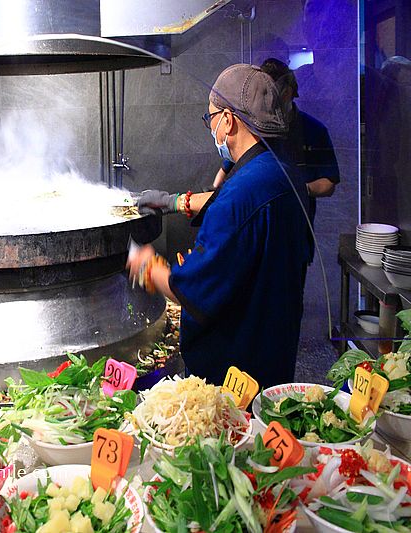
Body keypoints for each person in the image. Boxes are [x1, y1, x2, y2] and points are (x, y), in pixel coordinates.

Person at [128, 64, 312, 389]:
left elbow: (194, 291)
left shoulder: (240, 196)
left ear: (227, 120)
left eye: (210, 119)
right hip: (275, 359)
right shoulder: (287, 174)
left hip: (233, 374)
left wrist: (146, 266)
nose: (211, 129)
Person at [213, 58, 340, 224]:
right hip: (255, 216)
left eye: (269, 92)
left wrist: (295, 188)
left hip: (296, 221)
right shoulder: (253, 129)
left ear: (287, 93)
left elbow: (328, 183)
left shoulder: (313, 130)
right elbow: (222, 175)